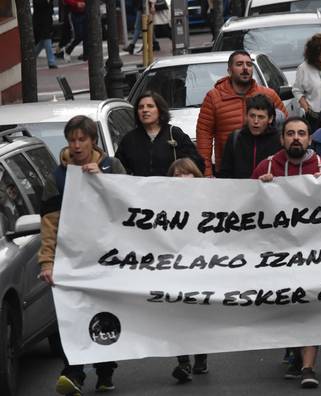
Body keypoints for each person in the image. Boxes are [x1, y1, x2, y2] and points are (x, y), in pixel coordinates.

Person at [38, 116, 126, 395]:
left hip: (107, 257)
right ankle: (73, 372)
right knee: (72, 315)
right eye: (72, 140)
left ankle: (105, 370)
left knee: (105, 313)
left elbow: (131, 203)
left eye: (82, 139)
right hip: (72, 259)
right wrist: (47, 261)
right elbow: (49, 224)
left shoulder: (112, 167)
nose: (76, 146)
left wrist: (104, 180)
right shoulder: (57, 178)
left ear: (93, 141)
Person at [251, 117, 321, 388]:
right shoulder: (266, 167)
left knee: (310, 306)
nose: (296, 138)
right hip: (279, 255)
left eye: (301, 133)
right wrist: (261, 189)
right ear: (282, 139)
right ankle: (293, 352)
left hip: (316, 254)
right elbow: (246, 208)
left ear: (310, 139)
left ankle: (308, 367)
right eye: (290, 134)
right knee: (288, 307)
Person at [196, 50, 287, 176]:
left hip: (269, 172)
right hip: (229, 172)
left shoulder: (268, 95)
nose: (245, 68)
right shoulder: (214, 97)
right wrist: (206, 171)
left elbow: (287, 129)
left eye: (249, 65)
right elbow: (204, 136)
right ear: (229, 70)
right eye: (239, 64)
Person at [164, 158, 210, 383]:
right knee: (177, 315)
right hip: (174, 266)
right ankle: (183, 362)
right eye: (177, 175)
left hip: (201, 266)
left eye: (186, 174)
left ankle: (200, 357)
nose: (182, 179)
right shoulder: (162, 204)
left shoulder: (208, 202)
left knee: (198, 313)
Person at [117, 91, 204, 176]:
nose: (145, 110)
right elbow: (118, 170)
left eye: (150, 106)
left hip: (172, 188)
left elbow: (196, 164)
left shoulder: (174, 134)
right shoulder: (129, 139)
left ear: (160, 110)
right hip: (140, 189)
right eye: (141, 107)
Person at [218, 94, 282, 179]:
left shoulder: (279, 140)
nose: (255, 121)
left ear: (270, 119)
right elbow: (225, 172)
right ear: (246, 116)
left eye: (261, 117)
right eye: (252, 116)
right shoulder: (235, 138)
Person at [33, 0, 57, 69]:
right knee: (47, 39)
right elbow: (40, 6)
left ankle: (32, 56)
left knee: (43, 42)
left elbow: (51, 10)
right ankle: (51, 61)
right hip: (39, 22)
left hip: (47, 22)